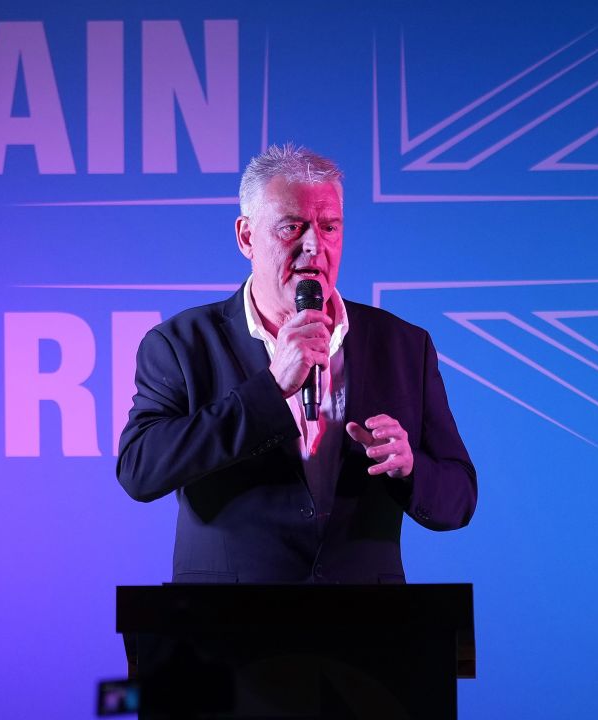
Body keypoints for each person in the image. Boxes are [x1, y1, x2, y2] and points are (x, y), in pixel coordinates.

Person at [116, 144, 476, 584]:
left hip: (370, 633)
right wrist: (270, 388)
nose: (314, 246)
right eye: (292, 227)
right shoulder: (180, 344)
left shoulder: (403, 345)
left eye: (329, 227)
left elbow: (459, 498)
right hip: (223, 630)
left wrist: (409, 467)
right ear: (247, 237)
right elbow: (140, 469)